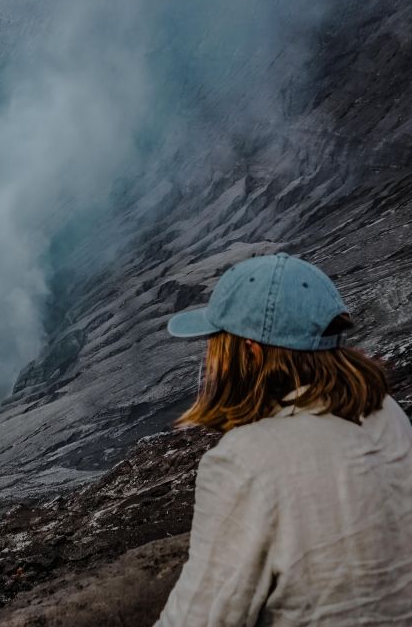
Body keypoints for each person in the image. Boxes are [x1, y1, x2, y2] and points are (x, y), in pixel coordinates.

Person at [154, 253, 412, 626]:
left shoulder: (248, 461)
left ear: (251, 352)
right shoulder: (388, 414)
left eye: (216, 342)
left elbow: (199, 618)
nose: (209, 358)